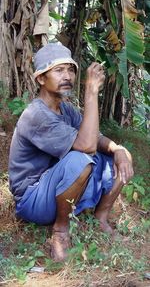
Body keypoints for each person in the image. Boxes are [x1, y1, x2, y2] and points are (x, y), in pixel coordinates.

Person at [9, 42, 134, 262]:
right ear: (41, 78)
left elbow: (95, 137)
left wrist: (118, 149)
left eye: (70, 70)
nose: (67, 76)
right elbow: (86, 146)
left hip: (55, 188)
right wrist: (92, 92)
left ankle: (101, 219)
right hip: (32, 200)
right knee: (81, 159)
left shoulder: (66, 109)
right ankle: (60, 231)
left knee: (120, 155)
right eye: (59, 70)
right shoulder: (36, 115)